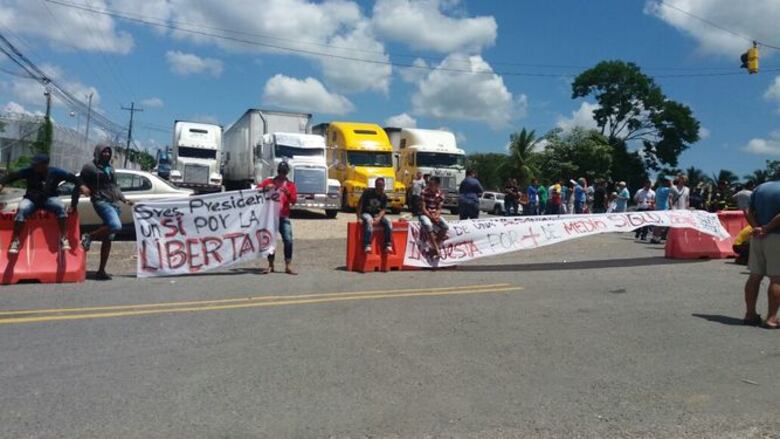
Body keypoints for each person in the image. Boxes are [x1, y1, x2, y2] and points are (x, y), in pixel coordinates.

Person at [0, 154, 81, 254]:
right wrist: (2, 183)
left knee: (60, 206)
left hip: (49, 199)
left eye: (36, 164)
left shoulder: (55, 172)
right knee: (22, 208)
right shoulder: (30, 171)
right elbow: (13, 176)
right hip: (32, 200)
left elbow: (71, 177)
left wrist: (81, 185)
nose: (33, 166)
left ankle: (64, 237)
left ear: (45, 165)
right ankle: (15, 241)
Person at [80, 145, 134, 280]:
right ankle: (89, 236)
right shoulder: (89, 167)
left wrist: (124, 199)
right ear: (98, 152)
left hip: (114, 202)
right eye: (104, 152)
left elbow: (115, 187)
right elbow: (79, 180)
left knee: (108, 238)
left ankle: (101, 270)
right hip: (100, 201)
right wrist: (83, 187)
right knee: (115, 226)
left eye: (108, 152)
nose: (106, 154)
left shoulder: (110, 168)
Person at [743, 180, 780, 328]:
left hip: (757, 237)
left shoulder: (760, 188)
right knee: (777, 278)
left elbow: (747, 210)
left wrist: (757, 228)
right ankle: (771, 318)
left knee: (754, 276)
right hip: (776, 236)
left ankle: (750, 314)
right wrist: (767, 228)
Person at [258, 161, 298, 275]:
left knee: (288, 240)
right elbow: (256, 191)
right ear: (278, 171)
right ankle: (270, 265)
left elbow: (294, 201)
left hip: (283, 216)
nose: (282, 174)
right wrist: (266, 188)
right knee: (270, 240)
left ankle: (288, 265)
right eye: (281, 172)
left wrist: (289, 193)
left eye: (284, 172)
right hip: (270, 217)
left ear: (287, 173)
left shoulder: (290, 185)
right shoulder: (269, 181)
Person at [357, 177, 392, 254]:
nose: (381, 187)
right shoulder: (368, 192)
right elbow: (360, 204)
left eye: (382, 185)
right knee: (369, 221)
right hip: (366, 213)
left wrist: (379, 217)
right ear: (375, 185)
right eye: (379, 185)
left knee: (389, 222)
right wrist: (358, 217)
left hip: (377, 214)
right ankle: (367, 245)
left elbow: (383, 209)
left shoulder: (384, 196)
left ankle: (388, 244)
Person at [419, 176, 449, 258]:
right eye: (430, 184)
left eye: (433, 184)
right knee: (428, 225)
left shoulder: (440, 194)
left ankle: (433, 247)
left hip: (435, 213)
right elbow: (423, 208)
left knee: (445, 226)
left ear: (437, 185)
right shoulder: (424, 192)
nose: (430, 186)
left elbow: (439, 208)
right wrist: (431, 217)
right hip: (425, 214)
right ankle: (437, 249)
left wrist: (437, 215)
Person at [650, 177, 672, 244]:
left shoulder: (657, 189)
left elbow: (655, 199)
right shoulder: (666, 189)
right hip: (664, 208)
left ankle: (654, 237)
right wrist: (671, 183)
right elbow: (673, 191)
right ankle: (657, 238)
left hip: (657, 208)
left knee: (657, 224)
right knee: (661, 225)